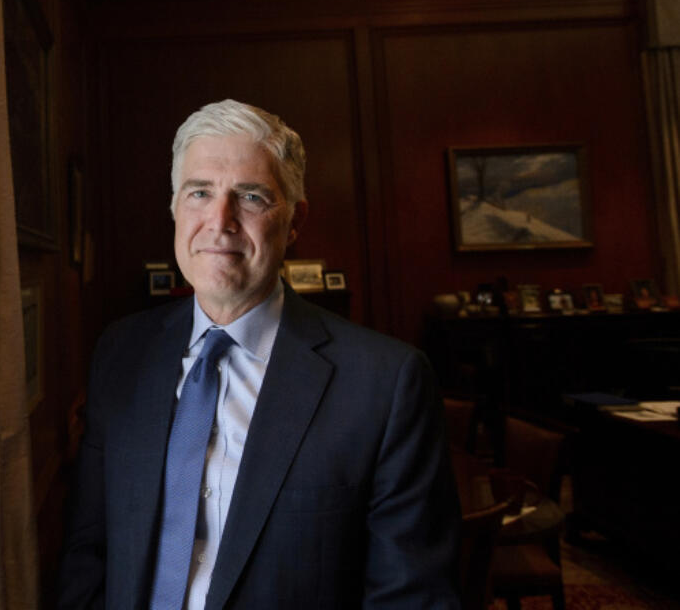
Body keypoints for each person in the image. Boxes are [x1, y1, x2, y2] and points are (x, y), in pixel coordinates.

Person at [58, 100, 460, 609]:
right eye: (199, 192)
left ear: (294, 222)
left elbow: (412, 596)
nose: (219, 220)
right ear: (175, 208)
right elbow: (87, 551)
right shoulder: (120, 353)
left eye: (250, 197)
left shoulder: (385, 384)